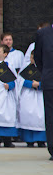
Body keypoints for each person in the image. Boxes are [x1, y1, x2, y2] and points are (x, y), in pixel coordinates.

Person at [17, 50, 46, 148]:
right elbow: (19, 80)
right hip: (28, 95)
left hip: (40, 96)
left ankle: (41, 140)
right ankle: (29, 140)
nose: (32, 59)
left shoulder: (45, 69)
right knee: (27, 114)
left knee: (41, 117)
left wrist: (39, 84)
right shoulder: (26, 69)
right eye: (31, 57)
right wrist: (31, 84)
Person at [34, 22, 53, 161]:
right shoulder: (42, 34)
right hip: (50, 81)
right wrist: (46, 72)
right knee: (51, 117)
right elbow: (38, 58)